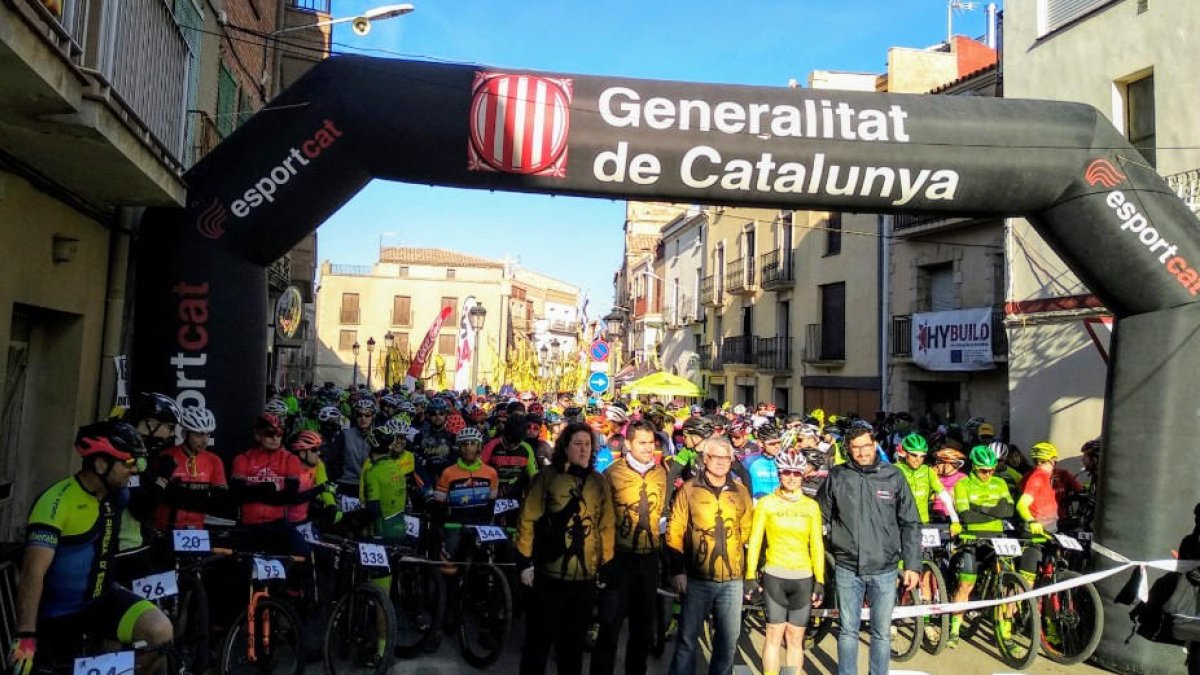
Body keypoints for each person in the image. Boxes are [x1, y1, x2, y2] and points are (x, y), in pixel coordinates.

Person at [9, 422, 172, 675]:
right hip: (59, 614)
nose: (134, 470)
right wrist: (26, 635)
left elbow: (145, 502)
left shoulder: (117, 494)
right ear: (100, 464)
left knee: (160, 631)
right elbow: (33, 572)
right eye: (128, 463)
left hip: (101, 600)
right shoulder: (56, 501)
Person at [817, 424, 921, 675]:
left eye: (866, 446)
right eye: (855, 448)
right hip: (847, 567)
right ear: (848, 450)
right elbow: (819, 516)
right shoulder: (838, 476)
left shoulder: (894, 475)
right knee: (848, 631)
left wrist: (913, 565)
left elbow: (910, 522)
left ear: (874, 444)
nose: (862, 452)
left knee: (881, 633)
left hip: (884, 568)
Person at [516, 422, 615, 675]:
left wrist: (605, 566)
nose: (583, 450)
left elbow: (607, 525)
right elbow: (528, 519)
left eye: (587, 445)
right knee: (538, 644)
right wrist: (525, 563)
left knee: (572, 648)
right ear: (565, 447)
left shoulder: (598, 480)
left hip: (583, 581)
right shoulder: (547, 478)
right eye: (577, 444)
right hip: (548, 578)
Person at [665, 436, 752, 675]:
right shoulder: (689, 489)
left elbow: (746, 528)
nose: (722, 462)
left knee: (727, 641)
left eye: (727, 457)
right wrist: (678, 570)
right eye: (716, 457)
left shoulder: (741, 491)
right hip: (696, 578)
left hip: (732, 580)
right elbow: (675, 530)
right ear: (705, 459)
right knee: (687, 640)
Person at [591, 420, 668, 675]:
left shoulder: (660, 473)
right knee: (610, 629)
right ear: (628, 444)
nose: (648, 448)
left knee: (642, 631)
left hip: (648, 560)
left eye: (651, 443)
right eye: (642, 443)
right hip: (619, 560)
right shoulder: (611, 474)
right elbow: (598, 517)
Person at [745, 449, 824, 675]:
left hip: (803, 577)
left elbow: (817, 545)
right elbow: (756, 540)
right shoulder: (767, 504)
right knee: (773, 634)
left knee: (795, 637)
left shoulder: (811, 506)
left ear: (802, 475)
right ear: (779, 474)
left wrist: (820, 579)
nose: (791, 477)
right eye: (786, 472)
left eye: (796, 473)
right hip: (775, 576)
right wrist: (750, 575)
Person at [947, 444, 1015, 648]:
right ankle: (954, 629)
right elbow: (967, 515)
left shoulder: (1000, 483)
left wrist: (980, 509)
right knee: (965, 586)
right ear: (974, 468)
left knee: (1007, 587)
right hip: (973, 539)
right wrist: (994, 509)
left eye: (992, 469)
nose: (988, 474)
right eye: (984, 470)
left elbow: (1008, 511)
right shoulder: (963, 485)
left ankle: (1005, 633)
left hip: (998, 538)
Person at [230, 413, 307, 554]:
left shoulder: (291, 459)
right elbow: (238, 495)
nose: (275, 438)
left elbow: (290, 497)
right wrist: (271, 489)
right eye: (269, 434)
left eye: (279, 434)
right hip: (249, 524)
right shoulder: (242, 459)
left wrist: (254, 492)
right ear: (258, 435)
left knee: (304, 554)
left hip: (278, 524)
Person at [150, 406, 229, 530]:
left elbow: (220, 498)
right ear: (185, 433)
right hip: (166, 528)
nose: (205, 440)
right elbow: (155, 495)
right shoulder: (165, 456)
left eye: (208, 434)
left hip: (199, 530)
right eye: (199, 434)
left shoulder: (214, 460)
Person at [432, 427, 499, 560]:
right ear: (458, 447)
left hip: (481, 525)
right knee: (449, 566)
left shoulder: (491, 473)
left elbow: (492, 504)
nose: (468, 448)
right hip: (456, 524)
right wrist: (442, 529)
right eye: (464, 444)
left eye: (473, 444)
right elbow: (439, 505)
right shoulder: (448, 473)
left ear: (479, 446)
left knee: (482, 565)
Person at [1015, 441, 1061, 586]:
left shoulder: (1045, 477)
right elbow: (1022, 504)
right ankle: (1016, 607)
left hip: (1049, 531)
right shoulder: (1038, 477)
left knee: (1047, 576)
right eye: (1054, 460)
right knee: (1027, 580)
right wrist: (1031, 521)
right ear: (1050, 460)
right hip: (1035, 532)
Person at [335, 398, 375, 497]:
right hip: (347, 483)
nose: (363, 418)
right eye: (359, 415)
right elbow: (335, 460)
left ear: (373, 416)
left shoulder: (377, 436)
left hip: (370, 484)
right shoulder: (345, 435)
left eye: (367, 415)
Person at [741, 423, 784, 501]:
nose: (777, 446)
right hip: (757, 505)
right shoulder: (749, 460)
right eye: (772, 443)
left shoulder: (784, 461)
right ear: (760, 443)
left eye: (779, 442)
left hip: (779, 505)